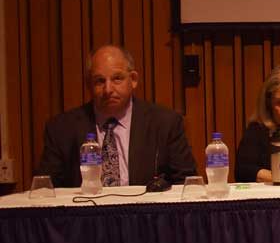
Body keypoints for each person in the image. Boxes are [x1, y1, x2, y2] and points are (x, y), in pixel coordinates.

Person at [36, 45, 197, 187]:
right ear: (89, 85)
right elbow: (45, 189)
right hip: (85, 218)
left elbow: (187, 183)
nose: (108, 90)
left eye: (117, 79)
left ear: (133, 80)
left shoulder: (164, 123)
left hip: (145, 218)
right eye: (99, 81)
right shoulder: (62, 129)